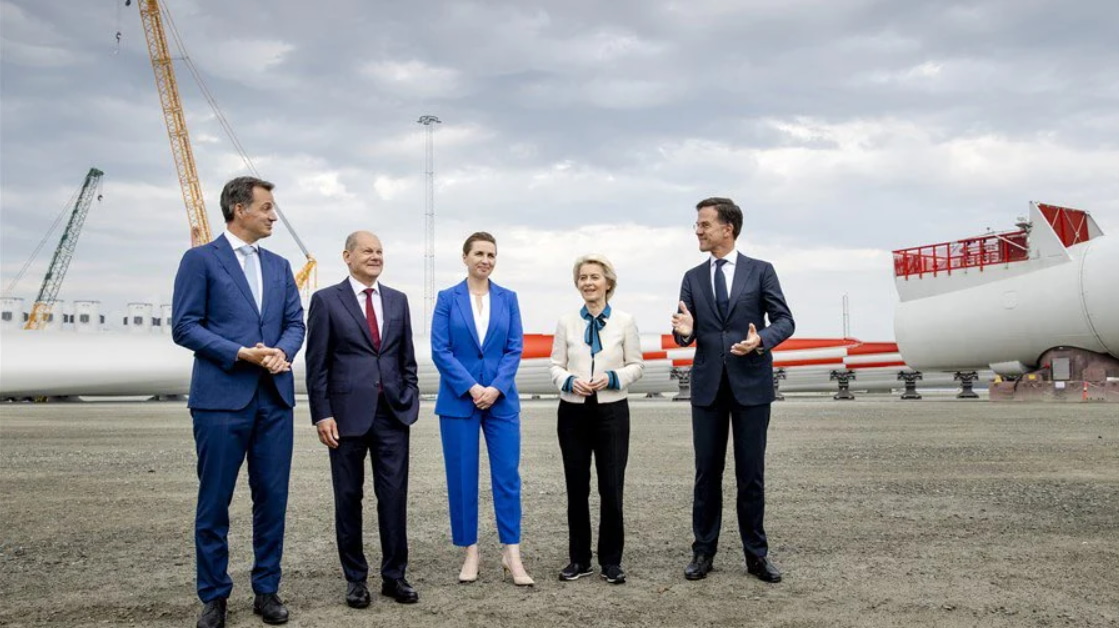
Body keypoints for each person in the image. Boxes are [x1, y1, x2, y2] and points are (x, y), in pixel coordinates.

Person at [171, 176, 305, 628]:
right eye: (266, 207)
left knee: (272, 500)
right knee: (215, 502)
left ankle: (266, 590)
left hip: (273, 400)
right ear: (238, 208)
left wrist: (283, 351)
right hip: (220, 401)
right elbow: (185, 326)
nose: (273, 215)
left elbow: (294, 322)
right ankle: (214, 596)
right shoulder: (200, 261)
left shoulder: (281, 266)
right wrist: (239, 352)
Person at [670, 197, 795, 584]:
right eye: (697, 224)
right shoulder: (692, 277)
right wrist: (684, 332)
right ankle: (702, 552)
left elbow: (785, 321)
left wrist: (760, 342)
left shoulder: (761, 271)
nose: (698, 230)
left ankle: (756, 555)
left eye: (704, 224)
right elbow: (683, 330)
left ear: (728, 228)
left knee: (751, 475)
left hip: (751, 386)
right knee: (706, 474)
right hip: (707, 387)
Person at [304, 231, 420, 607]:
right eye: (367, 251)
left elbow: (407, 360)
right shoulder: (326, 301)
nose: (375, 256)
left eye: (380, 251)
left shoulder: (398, 301)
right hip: (345, 418)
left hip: (392, 415)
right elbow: (316, 363)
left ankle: (394, 576)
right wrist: (322, 413)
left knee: (393, 498)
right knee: (348, 498)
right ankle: (356, 580)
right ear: (347, 256)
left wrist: (409, 396)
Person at [431, 232, 534, 586]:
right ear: (465, 257)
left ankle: (512, 552)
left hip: (501, 399)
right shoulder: (447, 299)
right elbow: (440, 350)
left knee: (507, 476)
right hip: (459, 399)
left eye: (491, 254)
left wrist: (495, 388)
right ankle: (471, 551)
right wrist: (472, 387)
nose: (485, 260)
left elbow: (514, 347)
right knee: (462, 478)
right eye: (479, 253)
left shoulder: (509, 299)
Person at [549, 254, 644, 584]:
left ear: (608, 283)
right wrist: (568, 381)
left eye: (594, 277)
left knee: (611, 487)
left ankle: (611, 561)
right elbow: (555, 366)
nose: (588, 282)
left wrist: (613, 378)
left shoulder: (625, 321)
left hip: (612, 412)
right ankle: (579, 559)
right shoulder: (566, 322)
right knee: (577, 488)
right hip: (573, 411)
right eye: (582, 278)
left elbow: (636, 365)